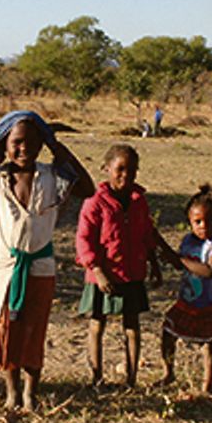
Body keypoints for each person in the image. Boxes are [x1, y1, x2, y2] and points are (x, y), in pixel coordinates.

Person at [0, 113, 93, 412]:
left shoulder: (52, 177)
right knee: (8, 330)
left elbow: (87, 189)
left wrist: (61, 151)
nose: (23, 149)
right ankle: (11, 393)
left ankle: (30, 393)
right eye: (16, 143)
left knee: (34, 330)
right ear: (5, 144)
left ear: (42, 145)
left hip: (41, 266)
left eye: (32, 142)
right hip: (8, 268)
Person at [75, 144, 162, 388]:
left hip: (132, 272)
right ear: (106, 169)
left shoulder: (139, 201)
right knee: (97, 324)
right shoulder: (94, 202)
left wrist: (153, 262)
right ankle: (97, 377)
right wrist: (96, 270)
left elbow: (146, 233)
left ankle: (131, 378)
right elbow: (84, 239)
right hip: (102, 275)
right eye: (120, 169)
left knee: (132, 326)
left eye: (132, 170)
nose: (126, 175)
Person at [157, 184, 212, 394]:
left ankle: (207, 384)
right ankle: (168, 372)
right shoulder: (188, 242)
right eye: (197, 221)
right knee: (168, 332)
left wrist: (180, 260)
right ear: (190, 222)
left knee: (210, 345)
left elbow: (209, 271)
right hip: (186, 302)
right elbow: (180, 263)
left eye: (209, 221)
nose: (203, 226)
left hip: (208, 305)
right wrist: (167, 258)